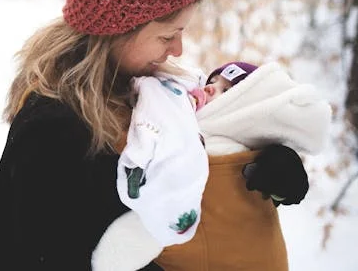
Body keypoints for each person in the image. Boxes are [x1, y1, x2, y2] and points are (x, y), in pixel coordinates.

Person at [0, 0, 309, 271]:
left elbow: (207, 152)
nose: (178, 50)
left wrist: (272, 171)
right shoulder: (52, 127)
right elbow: (46, 256)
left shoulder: (157, 90)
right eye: (167, 36)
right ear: (118, 31)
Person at [99, 60, 330, 270]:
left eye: (226, 90)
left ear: (245, 108)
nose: (210, 88)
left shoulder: (254, 154)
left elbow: (282, 190)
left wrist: (284, 179)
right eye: (212, 81)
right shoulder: (173, 122)